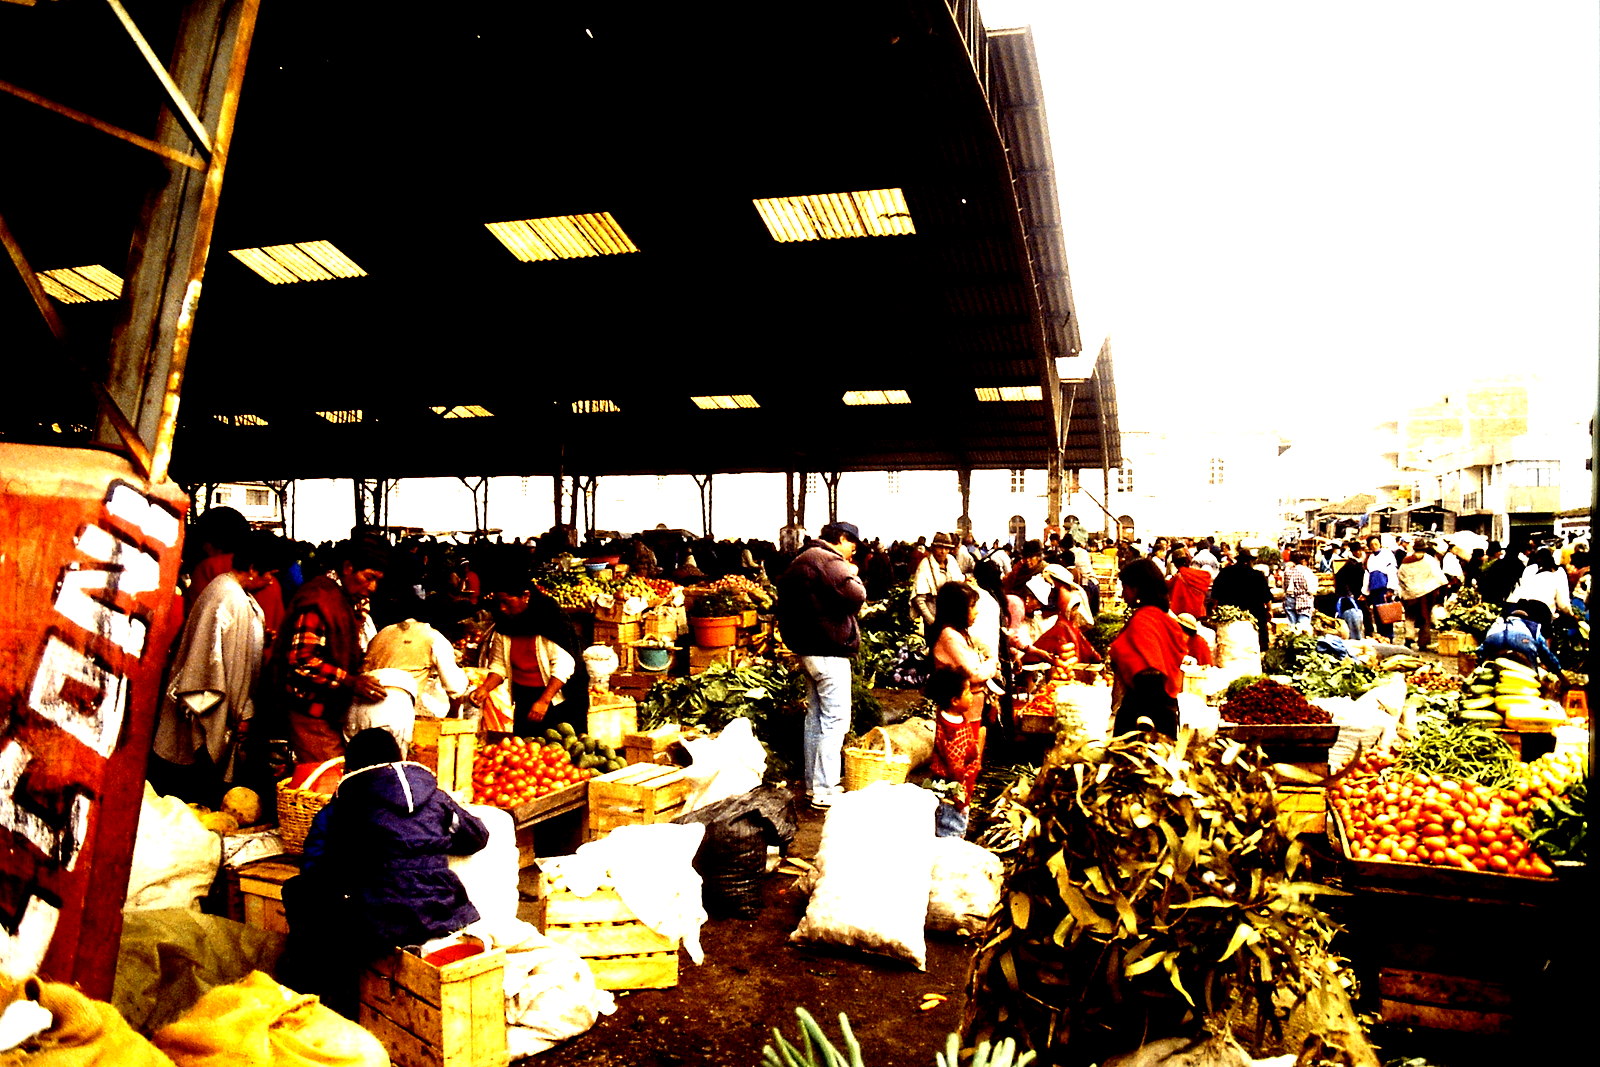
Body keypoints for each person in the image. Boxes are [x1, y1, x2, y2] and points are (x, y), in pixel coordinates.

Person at [279, 728, 489, 1019]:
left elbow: (316, 866)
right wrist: (426, 840)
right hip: (442, 910)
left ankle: (319, 997)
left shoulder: (342, 805)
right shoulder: (437, 799)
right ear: (400, 759)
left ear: (350, 768)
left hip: (379, 920)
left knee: (298, 891)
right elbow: (477, 836)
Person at [150, 532, 274, 805]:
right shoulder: (229, 598)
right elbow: (214, 666)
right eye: (269, 574)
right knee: (198, 789)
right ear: (253, 569)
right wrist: (240, 711)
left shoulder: (229, 592)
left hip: (222, 701)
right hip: (211, 705)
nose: (271, 581)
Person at [266, 538, 389, 764]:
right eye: (368, 577)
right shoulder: (318, 599)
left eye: (377, 581)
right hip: (308, 712)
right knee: (327, 777)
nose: (372, 588)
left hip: (327, 710)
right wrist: (351, 681)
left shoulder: (342, 598)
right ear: (348, 568)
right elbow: (301, 660)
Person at [776, 521, 867, 810]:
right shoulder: (827, 560)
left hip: (807, 650)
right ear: (840, 538)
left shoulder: (801, 559)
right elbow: (857, 596)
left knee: (815, 718)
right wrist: (853, 574)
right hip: (829, 651)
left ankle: (813, 785)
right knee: (835, 720)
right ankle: (826, 790)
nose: (854, 548)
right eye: (852, 542)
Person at [469, 581, 585, 736]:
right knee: (525, 746)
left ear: (525, 596)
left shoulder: (549, 620)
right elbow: (499, 665)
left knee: (556, 748)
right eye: (499, 602)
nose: (502, 608)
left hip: (556, 699)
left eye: (507, 601)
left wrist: (544, 701)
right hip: (523, 697)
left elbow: (563, 665)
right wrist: (485, 688)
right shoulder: (504, 626)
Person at [1106, 559, 1187, 726]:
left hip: (1144, 714)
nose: (1122, 594)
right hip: (1166, 711)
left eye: (1125, 588)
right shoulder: (1164, 618)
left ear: (1136, 589)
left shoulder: (1143, 621)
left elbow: (1149, 674)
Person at [365, 616, 473, 720]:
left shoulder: (382, 633)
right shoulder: (432, 636)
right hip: (395, 707)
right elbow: (455, 687)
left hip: (361, 703)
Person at [924, 667, 983, 839]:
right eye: (968, 692)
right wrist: (961, 798)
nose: (972, 696)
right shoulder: (952, 734)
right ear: (955, 701)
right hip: (952, 791)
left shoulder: (950, 716)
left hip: (953, 785)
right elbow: (956, 769)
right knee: (951, 832)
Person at [929, 581, 1000, 694]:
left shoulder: (959, 633)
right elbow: (973, 675)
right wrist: (992, 664)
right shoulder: (949, 637)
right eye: (972, 606)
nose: (976, 612)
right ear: (958, 609)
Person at [1210, 548, 1273, 650]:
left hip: (1231, 612)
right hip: (1254, 612)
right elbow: (1266, 596)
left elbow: (1215, 593)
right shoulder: (1258, 575)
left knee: (1231, 641)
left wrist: (1215, 606)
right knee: (1257, 640)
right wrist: (1270, 610)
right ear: (1250, 561)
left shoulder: (1225, 573)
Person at [912, 532, 967, 639]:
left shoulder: (951, 562)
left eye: (946, 548)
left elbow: (960, 584)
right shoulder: (925, 565)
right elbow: (919, 600)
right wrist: (932, 622)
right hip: (934, 618)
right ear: (933, 548)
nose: (943, 552)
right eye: (940, 548)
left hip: (952, 619)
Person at [1396, 539, 1448, 648]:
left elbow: (1401, 576)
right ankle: (1423, 642)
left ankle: (1409, 637)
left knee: (1410, 617)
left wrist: (1408, 588)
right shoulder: (1430, 561)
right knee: (1425, 618)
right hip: (1426, 595)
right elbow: (1439, 577)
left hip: (1410, 595)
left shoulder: (1406, 561)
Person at [1506, 548, 1574, 629]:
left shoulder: (1530, 569)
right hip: (1542, 617)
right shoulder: (1558, 573)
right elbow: (1563, 604)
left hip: (1520, 610)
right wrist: (1572, 615)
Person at [1478, 608, 1561, 673]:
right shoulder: (1532, 626)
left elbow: (1483, 646)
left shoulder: (1498, 624)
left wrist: (1480, 662)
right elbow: (1546, 655)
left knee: (1491, 670)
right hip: (1523, 642)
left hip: (1495, 639)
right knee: (1531, 676)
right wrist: (1559, 674)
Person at [1166, 548, 1212, 620]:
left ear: (1175, 563)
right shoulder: (1201, 575)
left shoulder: (1178, 577)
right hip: (1200, 613)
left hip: (1184, 617)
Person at [1281, 549, 1319, 632]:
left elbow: (1284, 587)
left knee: (1292, 626)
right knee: (1303, 627)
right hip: (1303, 600)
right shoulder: (1306, 571)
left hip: (1289, 599)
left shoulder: (1287, 571)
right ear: (1303, 560)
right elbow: (1312, 589)